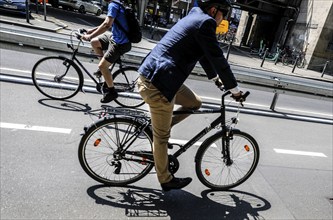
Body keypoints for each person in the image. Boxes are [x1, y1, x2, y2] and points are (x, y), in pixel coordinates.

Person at [137, 0, 244, 191]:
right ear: (214, 9)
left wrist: (215, 79)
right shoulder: (206, 23)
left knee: (195, 103)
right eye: (224, 13)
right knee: (161, 138)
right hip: (158, 84)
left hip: (163, 77)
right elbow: (218, 59)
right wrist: (235, 90)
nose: (224, 19)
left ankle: (161, 125)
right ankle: (165, 179)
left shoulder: (195, 16)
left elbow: (203, 54)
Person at [82, 0, 131, 103]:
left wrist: (89, 36)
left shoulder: (113, 5)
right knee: (95, 42)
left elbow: (107, 25)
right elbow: (108, 22)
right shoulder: (116, 3)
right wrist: (92, 31)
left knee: (102, 66)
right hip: (114, 38)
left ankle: (112, 92)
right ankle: (104, 70)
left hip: (120, 43)